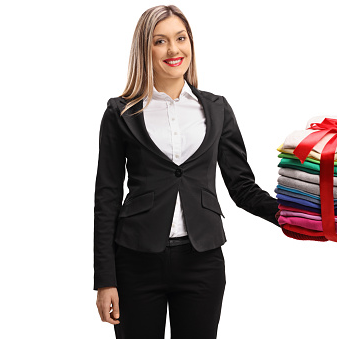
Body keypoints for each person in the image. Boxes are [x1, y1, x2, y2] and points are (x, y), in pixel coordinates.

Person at [94, 5, 280, 339]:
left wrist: (294, 216)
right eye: (160, 41)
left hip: (202, 261)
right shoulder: (120, 112)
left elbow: (242, 186)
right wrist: (105, 279)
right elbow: (107, 197)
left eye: (180, 38)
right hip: (135, 262)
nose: (173, 49)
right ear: (144, 49)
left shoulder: (217, 109)